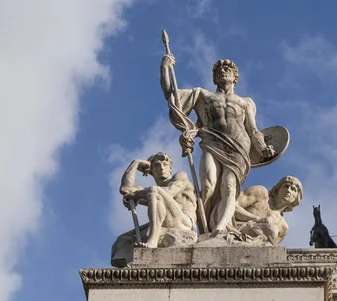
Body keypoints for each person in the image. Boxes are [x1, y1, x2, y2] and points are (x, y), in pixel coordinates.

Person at [160, 56, 275, 237]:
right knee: (207, 186)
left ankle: (220, 229)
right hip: (212, 142)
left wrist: (262, 148)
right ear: (214, 78)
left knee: (229, 187)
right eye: (218, 71)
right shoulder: (203, 96)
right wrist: (165, 69)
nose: (222, 72)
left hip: (239, 146)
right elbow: (171, 95)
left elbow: (253, 130)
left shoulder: (246, 102)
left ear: (234, 77)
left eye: (227, 70)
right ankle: (206, 229)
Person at [120, 152, 196, 248]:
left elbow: (169, 192)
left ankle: (153, 240)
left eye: (165, 164)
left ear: (170, 168)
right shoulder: (151, 192)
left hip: (184, 223)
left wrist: (137, 195)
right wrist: (135, 163)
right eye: (156, 165)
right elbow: (125, 189)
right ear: (150, 170)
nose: (162, 168)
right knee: (123, 240)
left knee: (154, 191)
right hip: (165, 221)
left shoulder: (180, 176)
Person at [234, 176, 302, 245]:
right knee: (272, 229)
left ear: (296, 198)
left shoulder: (283, 227)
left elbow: (271, 247)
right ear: (277, 189)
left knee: (272, 230)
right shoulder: (261, 193)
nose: (288, 190)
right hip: (235, 229)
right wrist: (258, 219)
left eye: (293, 189)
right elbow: (232, 206)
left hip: (253, 249)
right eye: (286, 186)